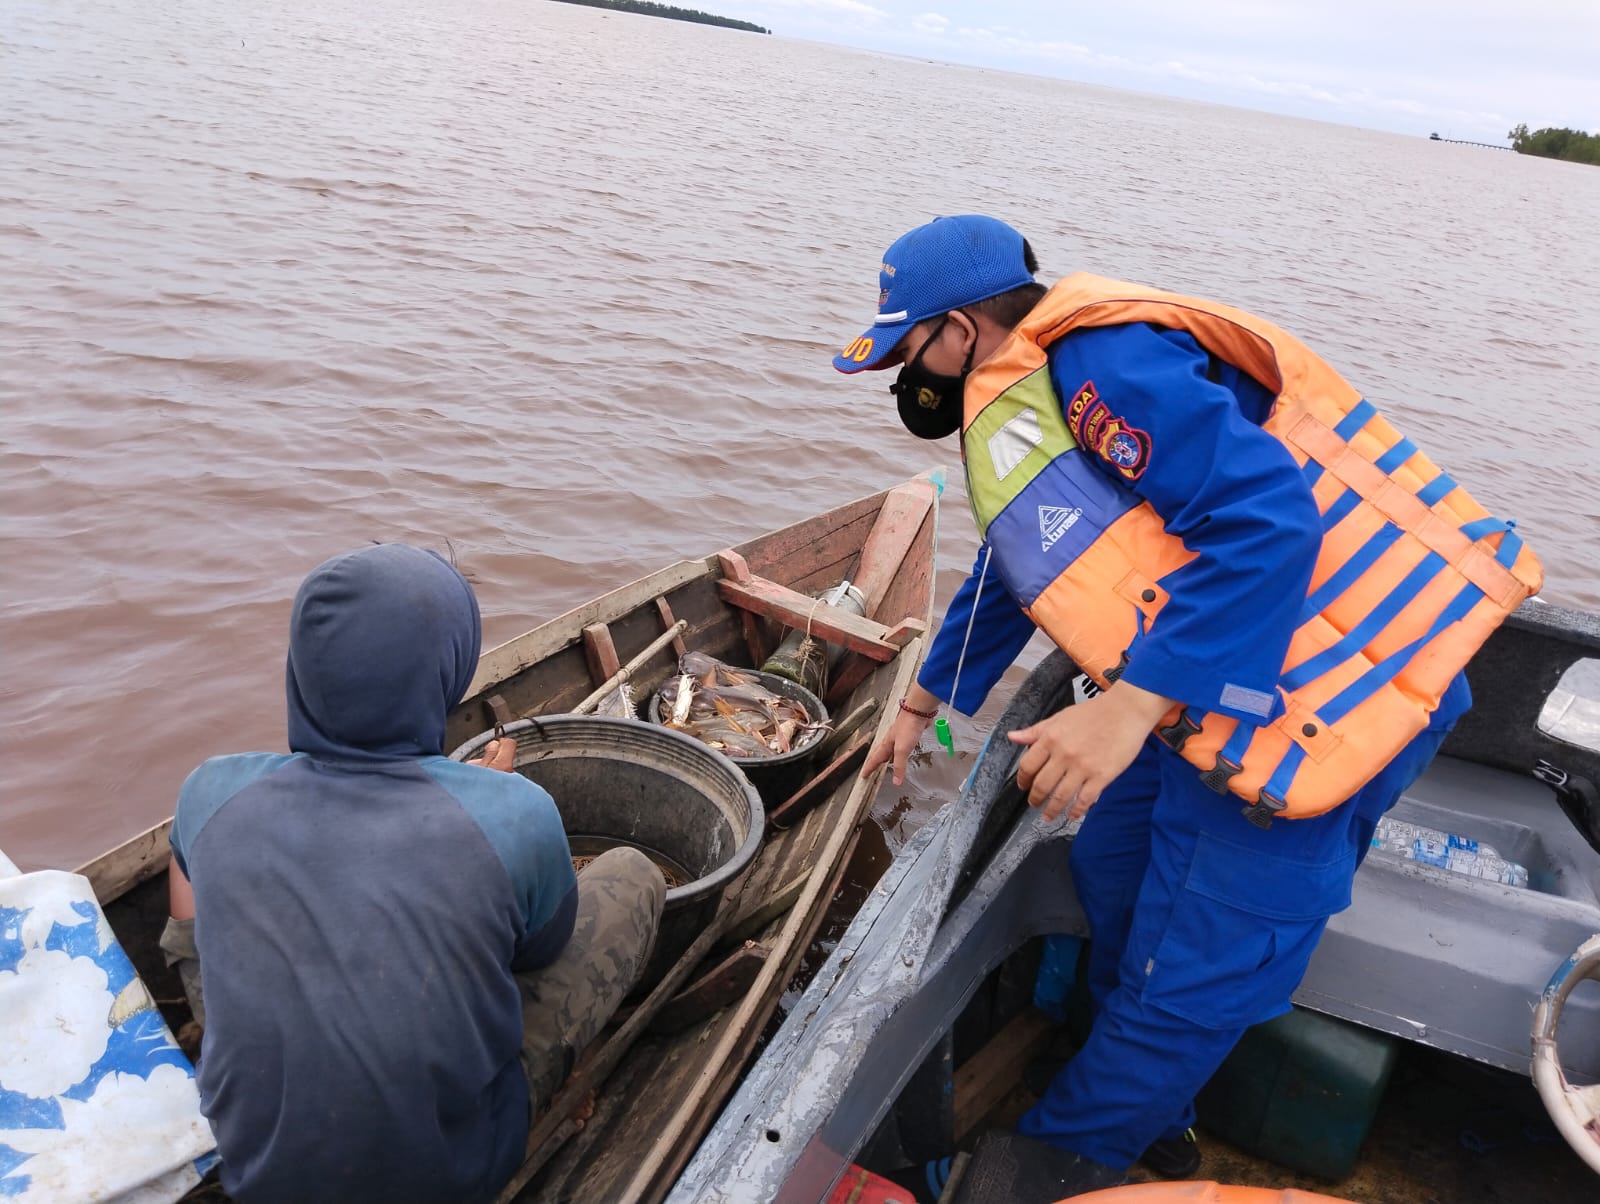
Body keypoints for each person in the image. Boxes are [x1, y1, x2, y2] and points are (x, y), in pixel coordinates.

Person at [845, 215, 1540, 1200]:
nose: (905, 375)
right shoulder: (1033, 391)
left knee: (1189, 969)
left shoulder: (1102, 372)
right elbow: (1022, 559)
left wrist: (1122, 712)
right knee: (1112, 869)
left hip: (1325, 702)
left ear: (958, 330)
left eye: (907, 349)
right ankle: (1153, 1119)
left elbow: (1271, 523)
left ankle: (1046, 1164)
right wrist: (924, 705)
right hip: (1207, 679)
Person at [156, 543, 665, 1203]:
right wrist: (484, 808)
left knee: (189, 868)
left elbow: (203, 899)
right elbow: (541, 950)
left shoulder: (209, 790)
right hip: (450, 1174)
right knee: (632, 874)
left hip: (258, 1169)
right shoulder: (517, 815)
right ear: (446, 674)